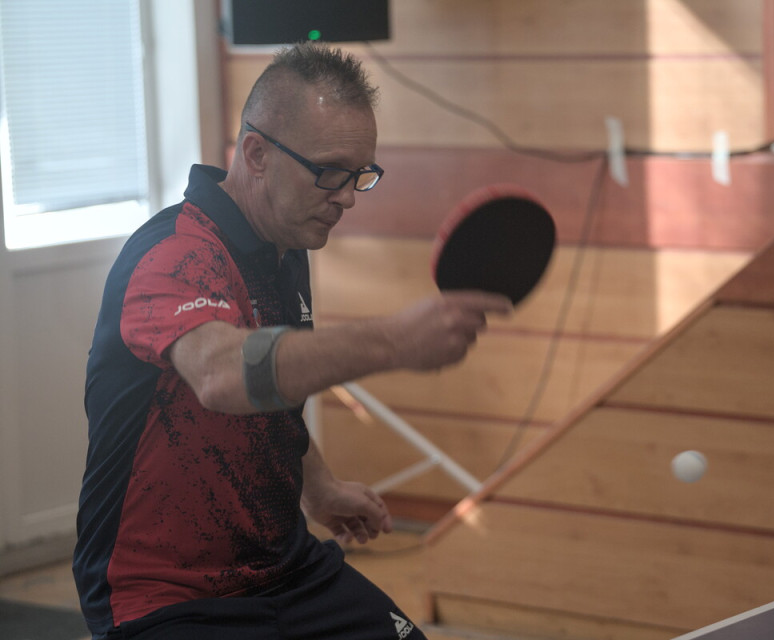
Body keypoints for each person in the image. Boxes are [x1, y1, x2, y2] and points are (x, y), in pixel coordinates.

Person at [74, 42, 511, 640]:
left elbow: (271, 389)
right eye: (330, 171)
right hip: (163, 595)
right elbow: (223, 374)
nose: (348, 196)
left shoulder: (286, 245)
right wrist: (394, 341)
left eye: (361, 175)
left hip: (287, 569)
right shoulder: (176, 253)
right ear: (257, 154)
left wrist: (319, 486)